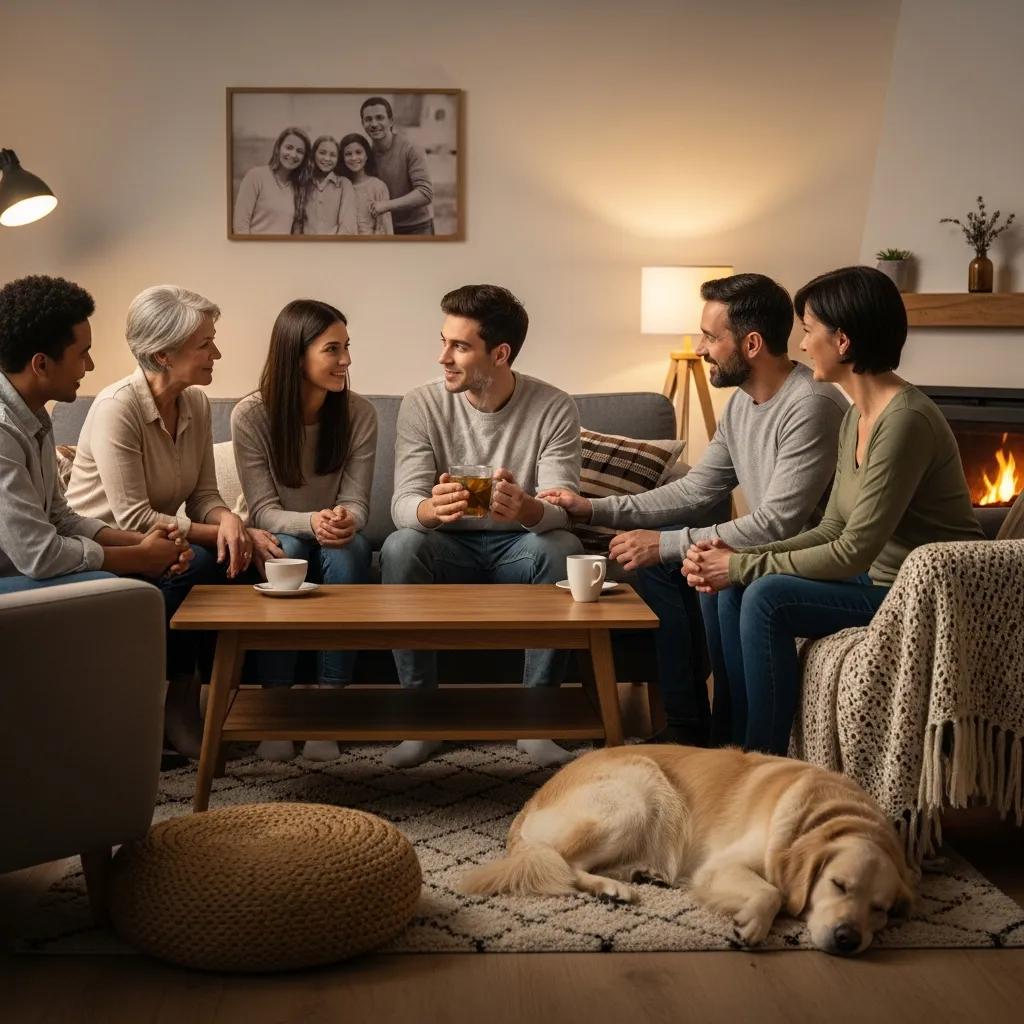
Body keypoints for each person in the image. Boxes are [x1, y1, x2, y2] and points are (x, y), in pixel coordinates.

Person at [682, 266, 984, 756]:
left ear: (842, 341)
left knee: (765, 596)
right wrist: (734, 553)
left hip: (922, 594)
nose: (801, 345)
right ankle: (728, 747)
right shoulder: (856, 415)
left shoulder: (904, 420)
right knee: (734, 590)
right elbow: (832, 526)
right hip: (878, 579)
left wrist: (742, 562)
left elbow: (852, 551)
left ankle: (764, 764)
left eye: (809, 331)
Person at [540, 273, 847, 747]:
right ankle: (689, 724)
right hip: (762, 548)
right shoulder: (744, 403)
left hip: (799, 556)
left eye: (710, 336)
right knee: (668, 567)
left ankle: (734, 740)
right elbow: (698, 490)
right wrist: (592, 509)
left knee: (703, 571)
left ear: (750, 343)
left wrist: (662, 544)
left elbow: (779, 523)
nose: (700, 349)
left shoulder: (810, 404)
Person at [66, 285, 279, 757]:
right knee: (201, 562)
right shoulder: (116, 407)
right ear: (163, 353)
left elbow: (203, 495)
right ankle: (176, 707)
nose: (216, 352)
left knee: (231, 561)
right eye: (205, 344)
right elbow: (135, 518)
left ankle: (213, 702)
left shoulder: (197, 403)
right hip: (110, 548)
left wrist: (225, 519)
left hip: (161, 543)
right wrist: (234, 529)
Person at [381, 284, 583, 768]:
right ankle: (422, 718)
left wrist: (527, 508)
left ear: (500, 353)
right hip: (444, 547)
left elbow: (563, 507)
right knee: (398, 546)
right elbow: (402, 503)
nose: (442, 357)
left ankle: (537, 721)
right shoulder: (421, 404)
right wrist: (432, 510)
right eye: (443, 341)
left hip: (519, 547)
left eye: (459, 346)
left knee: (562, 546)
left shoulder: (554, 406)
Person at [0, 276, 196, 756]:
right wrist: (138, 560)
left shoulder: (35, 417)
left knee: (158, 577)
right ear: (40, 363)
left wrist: (142, 543)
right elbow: (39, 555)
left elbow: (60, 519)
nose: (90, 365)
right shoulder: (3, 432)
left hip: (24, 572)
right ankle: (124, 738)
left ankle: (132, 733)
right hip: (13, 581)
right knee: (134, 594)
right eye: (82, 353)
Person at [231, 299, 377, 762]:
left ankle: (327, 710)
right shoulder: (251, 416)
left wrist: (345, 519)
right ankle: (279, 709)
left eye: (347, 348)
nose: (346, 361)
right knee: (285, 552)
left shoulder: (359, 414)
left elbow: (357, 503)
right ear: (297, 355)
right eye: (333, 350)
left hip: (333, 532)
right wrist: (313, 521)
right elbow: (263, 511)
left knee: (352, 552)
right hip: (280, 530)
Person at [359, 96, 434, 235]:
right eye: (368, 119)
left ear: (391, 121)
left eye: (380, 117)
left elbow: (426, 193)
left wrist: (386, 205)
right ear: (362, 123)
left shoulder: (410, 148)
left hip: (417, 227)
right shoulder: (365, 155)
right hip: (386, 228)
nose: (374, 124)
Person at [232, 126, 311, 235]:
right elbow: (240, 226)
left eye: (300, 151)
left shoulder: (298, 187)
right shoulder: (255, 176)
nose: (293, 154)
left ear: (304, 157)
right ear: (278, 148)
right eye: (289, 147)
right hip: (254, 250)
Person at [301, 135, 358, 236]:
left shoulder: (344, 184)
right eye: (322, 153)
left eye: (332, 155)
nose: (327, 158)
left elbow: (347, 225)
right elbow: (298, 222)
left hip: (335, 247)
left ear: (337, 159)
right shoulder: (304, 183)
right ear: (314, 154)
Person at [338, 132, 394, 235]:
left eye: (358, 152)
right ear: (342, 158)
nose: (354, 158)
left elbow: (384, 228)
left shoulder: (378, 186)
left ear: (367, 155)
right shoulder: (340, 186)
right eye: (348, 154)